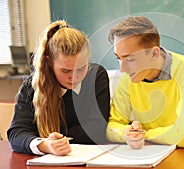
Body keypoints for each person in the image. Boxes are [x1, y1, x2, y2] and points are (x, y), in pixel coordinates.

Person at [106, 16, 184, 149]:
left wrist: (144, 134)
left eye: (130, 59)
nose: (122, 68)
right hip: (155, 152)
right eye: (118, 58)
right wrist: (128, 133)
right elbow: (111, 128)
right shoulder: (129, 76)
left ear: (154, 53)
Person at [7, 20, 110, 155]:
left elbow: (97, 128)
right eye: (66, 71)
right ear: (49, 62)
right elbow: (17, 133)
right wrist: (44, 145)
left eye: (81, 69)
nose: (74, 78)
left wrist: (57, 139)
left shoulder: (96, 76)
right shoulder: (32, 86)